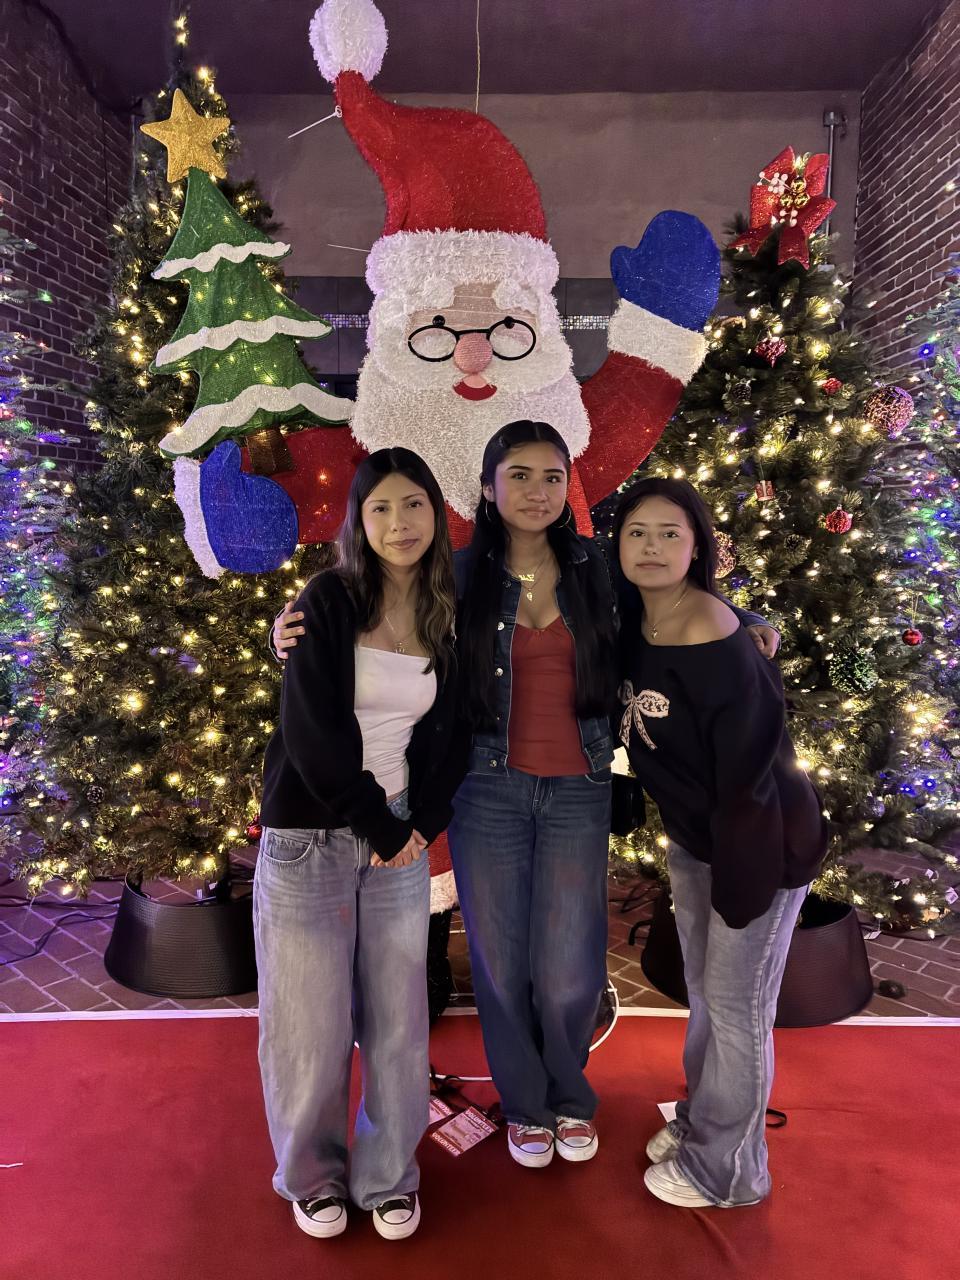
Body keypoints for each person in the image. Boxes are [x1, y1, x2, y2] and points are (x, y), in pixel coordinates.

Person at [272, 424, 779, 1172]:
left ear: (567, 488)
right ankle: (524, 1105)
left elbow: (672, 596)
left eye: (552, 477)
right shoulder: (458, 576)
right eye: (519, 476)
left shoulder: (597, 567)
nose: (537, 492)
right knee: (501, 961)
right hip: (487, 789)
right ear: (488, 487)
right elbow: (370, 620)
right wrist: (284, 631)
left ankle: (569, 1094)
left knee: (571, 961)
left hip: (579, 787)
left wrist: (751, 623)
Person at [255, 447, 458, 1243]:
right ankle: (311, 1177)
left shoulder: (446, 607)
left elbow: (454, 730)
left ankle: (388, 1175)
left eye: (414, 505)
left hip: (398, 838)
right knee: (308, 1025)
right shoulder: (328, 599)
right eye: (381, 508)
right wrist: (381, 824)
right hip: (312, 834)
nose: (399, 523)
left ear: (436, 513)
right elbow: (312, 732)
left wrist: (418, 822)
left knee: (399, 1021)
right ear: (358, 520)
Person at [612, 476, 827, 1209]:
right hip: (698, 841)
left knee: (737, 1008)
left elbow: (752, 780)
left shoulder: (711, 631)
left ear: (697, 546)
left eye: (670, 533)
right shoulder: (636, 619)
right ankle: (707, 1124)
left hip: (758, 846)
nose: (651, 546)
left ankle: (731, 1172)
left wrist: (744, 884)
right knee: (708, 995)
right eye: (637, 532)